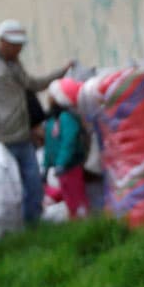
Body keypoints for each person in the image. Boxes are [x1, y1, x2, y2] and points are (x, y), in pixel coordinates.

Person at [0, 22, 71, 227]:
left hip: (21, 136)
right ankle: (7, 230)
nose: (19, 49)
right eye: (14, 44)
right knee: (5, 191)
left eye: (20, 45)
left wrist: (60, 73)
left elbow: (33, 84)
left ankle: (34, 226)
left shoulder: (15, 64)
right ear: (1, 42)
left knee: (33, 184)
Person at [42, 79, 92, 219]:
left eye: (51, 95)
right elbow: (49, 145)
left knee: (76, 195)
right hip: (61, 167)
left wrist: (62, 162)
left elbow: (69, 142)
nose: (49, 98)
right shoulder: (53, 119)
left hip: (70, 165)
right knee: (68, 197)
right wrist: (46, 166)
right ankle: (75, 218)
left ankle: (83, 220)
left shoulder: (66, 118)